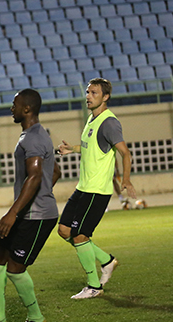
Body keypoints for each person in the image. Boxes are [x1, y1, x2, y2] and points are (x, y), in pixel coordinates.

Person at [0, 89, 61, 322]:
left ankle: (36, 319)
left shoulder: (32, 138)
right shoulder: (35, 135)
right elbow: (54, 172)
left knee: (15, 269)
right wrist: (38, 196)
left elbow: (34, 176)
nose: (12, 108)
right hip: (28, 212)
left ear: (27, 109)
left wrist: (13, 213)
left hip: (37, 217)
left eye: (15, 104)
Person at [57, 77, 135, 299]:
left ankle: (94, 286)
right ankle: (107, 261)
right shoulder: (92, 119)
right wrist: (71, 148)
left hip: (97, 191)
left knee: (80, 236)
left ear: (105, 97)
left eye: (94, 93)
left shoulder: (109, 122)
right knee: (64, 230)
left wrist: (126, 180)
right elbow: (90, 146)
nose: (88, 96)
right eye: (88, 92)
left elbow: (125, 152)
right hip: (83, 188)